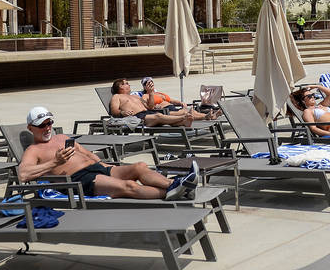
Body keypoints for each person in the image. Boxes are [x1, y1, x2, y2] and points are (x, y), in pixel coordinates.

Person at [18, 106, 198, 200]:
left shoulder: (62, 136)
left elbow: (87, 154)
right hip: (80, 180)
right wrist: (54, 163)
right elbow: (23, 175)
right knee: (129, 186)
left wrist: (106, 165)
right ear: (30, 128)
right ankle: (177, 190)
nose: (47, 127)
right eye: (42, 125)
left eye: (49, 123)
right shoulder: (33, 150)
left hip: (98, 168)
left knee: (140, 167)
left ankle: (175, 184)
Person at [106, 78, 208, 130]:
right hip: (138, 117)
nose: (128, 84)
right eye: (125, 83)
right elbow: (114, 111)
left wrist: (150, 93)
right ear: (119, 87)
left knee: (171, 114)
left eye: (127, 83)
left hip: (148, 112)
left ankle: (203, 117)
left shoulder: (135, 96)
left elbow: (150, 106)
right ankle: (184, 118)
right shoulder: (117, 97)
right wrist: (122, 112)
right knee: (159, 116)